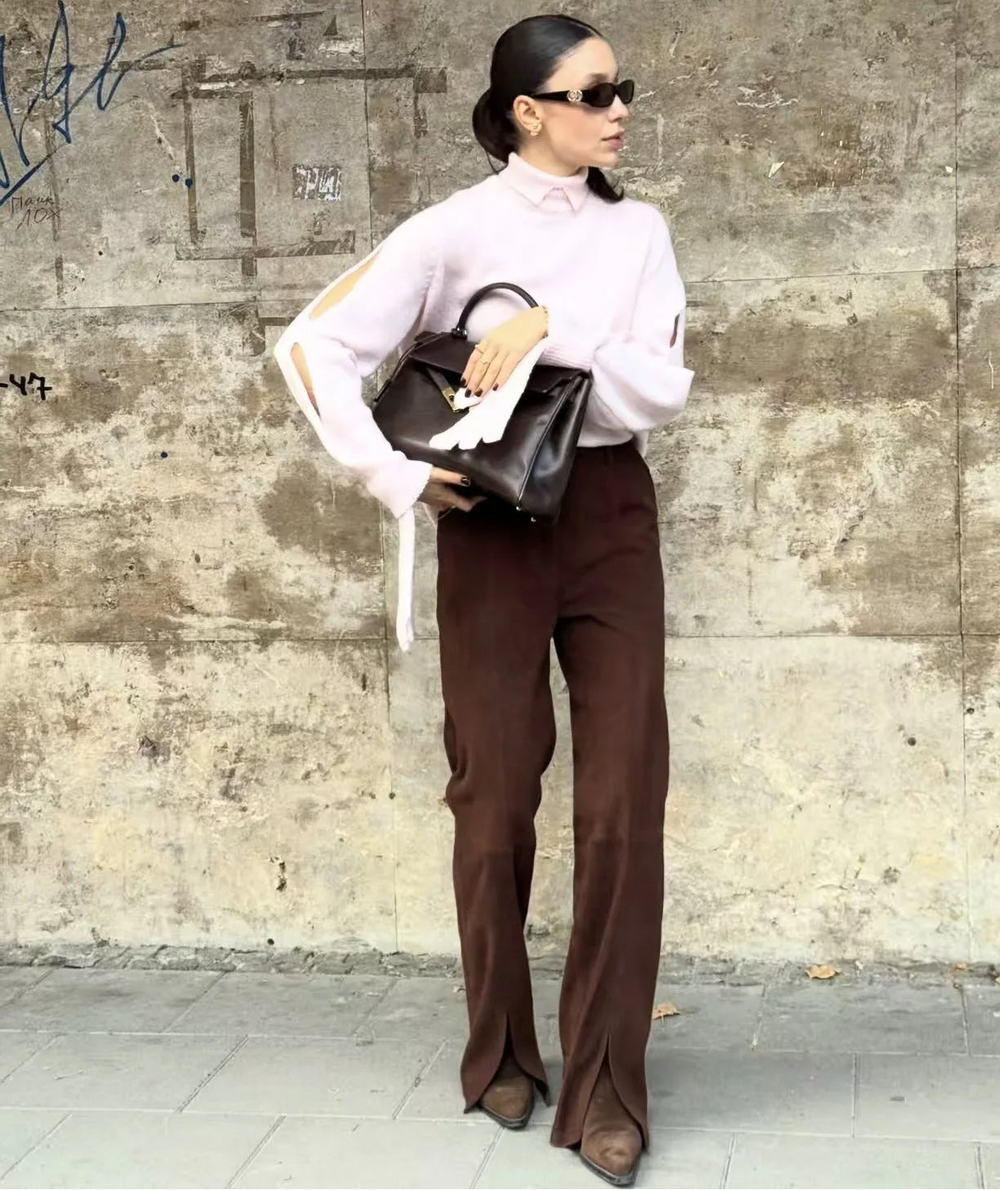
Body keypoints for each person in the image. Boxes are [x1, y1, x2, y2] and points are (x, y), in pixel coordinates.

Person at [272, 13, 694, 1185]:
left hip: (609, 516)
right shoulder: (453, 231)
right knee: (495, 796)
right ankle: (500, 1047)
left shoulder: (638, 232)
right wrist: (393, 475)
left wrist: (551, 323)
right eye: (593, 92)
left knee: (623, 800)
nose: (618, 109)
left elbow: (658, 385)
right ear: (525, 110)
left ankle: (606, 1087)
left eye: (621, 87)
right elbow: (312, 345)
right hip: (492, 527)